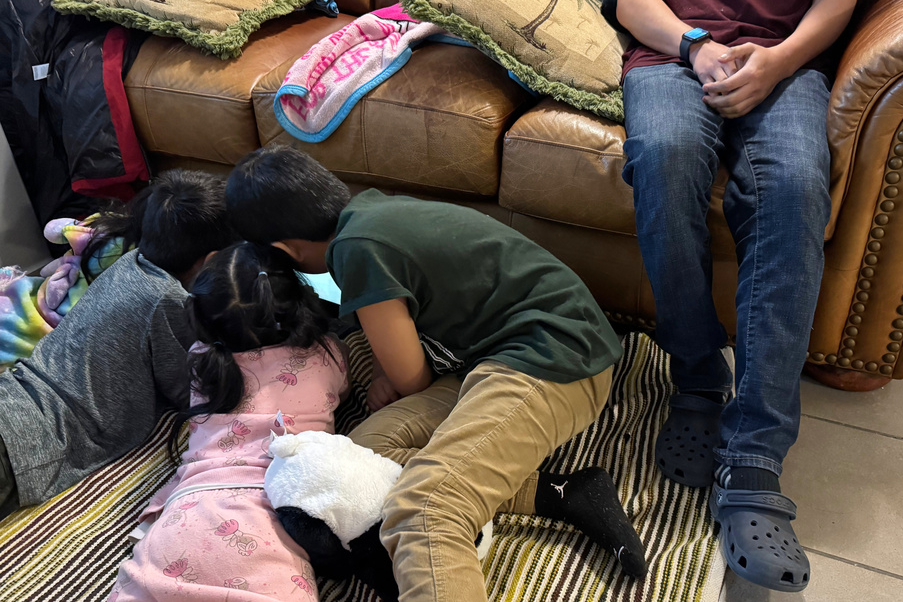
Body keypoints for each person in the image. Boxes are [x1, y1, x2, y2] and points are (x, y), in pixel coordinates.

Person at [225, 145, 640, 602]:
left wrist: (396, 374)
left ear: (285, 251)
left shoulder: (356, 251)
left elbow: (412, 381)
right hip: (497, 357)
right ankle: (562, 492)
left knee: (425, 508)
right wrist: (392, 369)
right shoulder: (370, 213)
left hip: (553, 355)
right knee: (363, 455)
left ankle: (467, 504)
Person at [613, 0, 893, 591]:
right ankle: (697, 373)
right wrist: (695, 45)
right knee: (664, 157)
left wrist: (780, 58)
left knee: (795, 188)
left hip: (789, 65)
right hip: (673, 58)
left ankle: (756, 453)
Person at [107, 242, 351, 601]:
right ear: (301, 299)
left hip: (183, 517)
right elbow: (341, 388)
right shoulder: (328, 356)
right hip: (271, 518)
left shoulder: (203, 361)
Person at [0, 170, 237, 518]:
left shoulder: (128, 262)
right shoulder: (167, 300)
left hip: (14, 394)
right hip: (32, 438)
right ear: (213, 260)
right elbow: (190, 391)